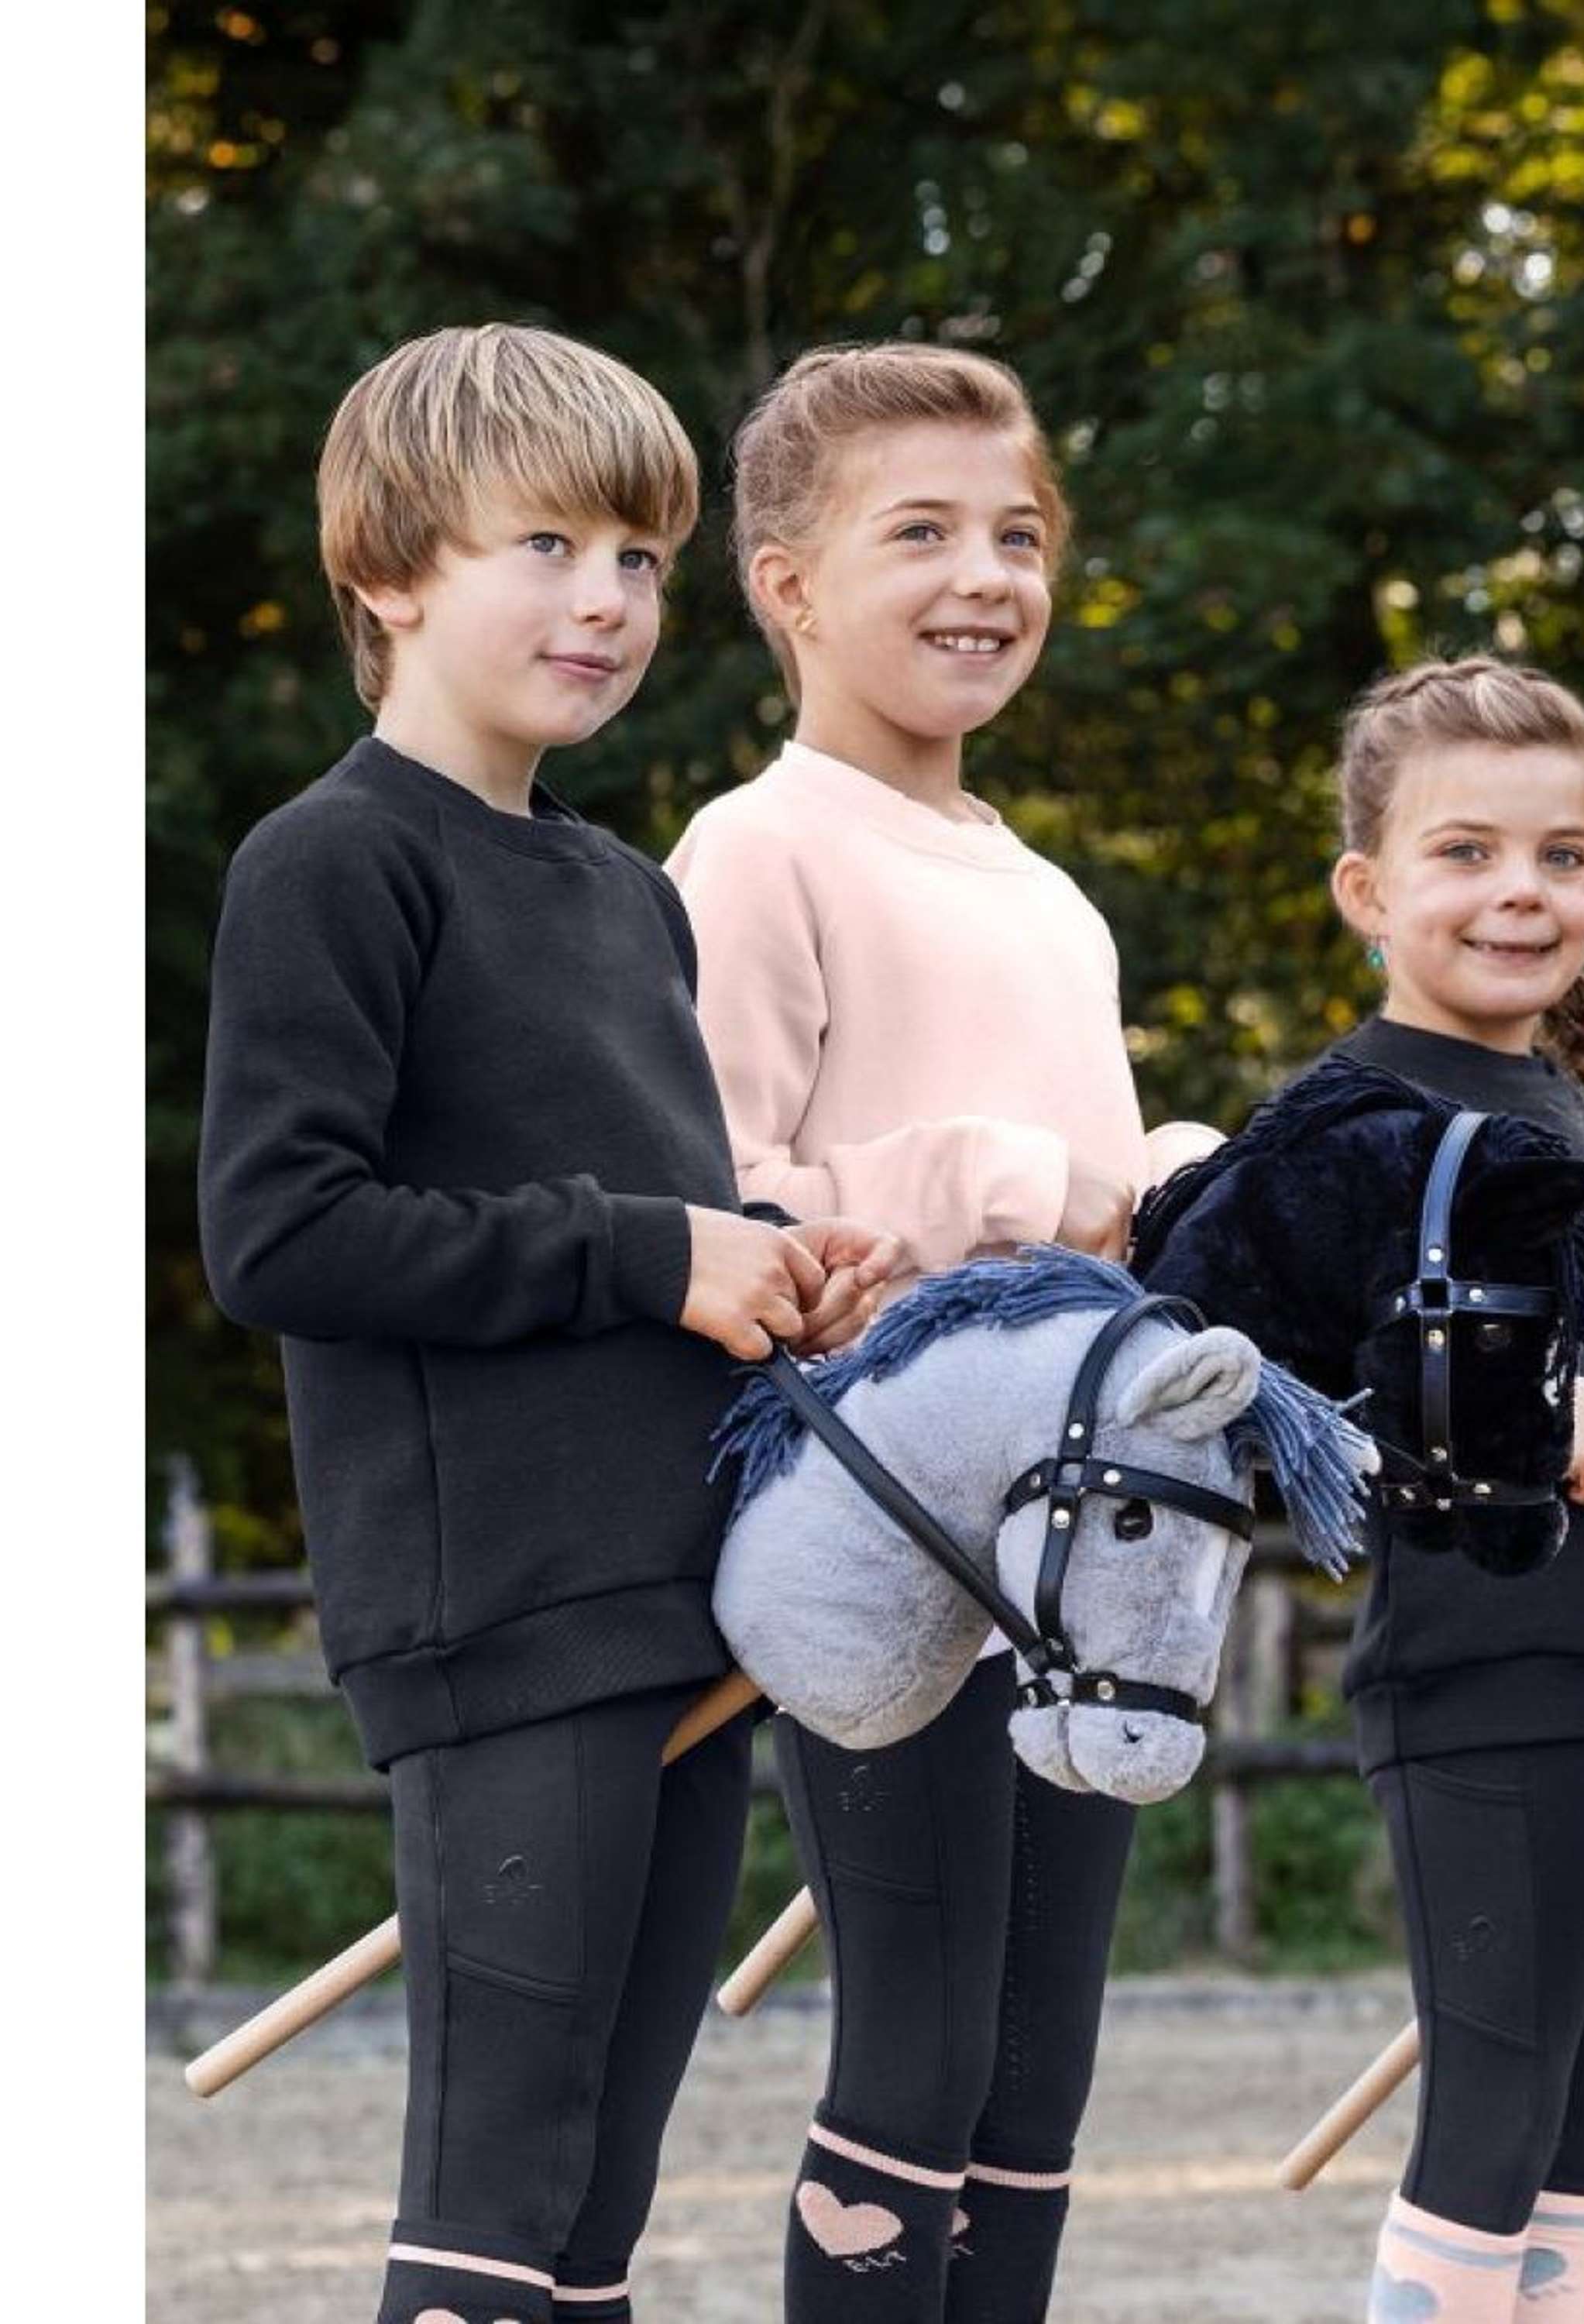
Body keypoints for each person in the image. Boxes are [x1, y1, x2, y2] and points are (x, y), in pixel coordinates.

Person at [198, 323, 896, 2324]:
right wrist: (653, 1256)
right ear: (389, 571)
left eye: (641, 560)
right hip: (496, 1616)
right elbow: (281, 1234)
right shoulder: (330, 863)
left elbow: (634, 1216)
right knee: (493, 2214)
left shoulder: (625, 895)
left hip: (683, 1613)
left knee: (595, 2218)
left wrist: (768, 1265)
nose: (607, 601)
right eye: (549, 546)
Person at [667, 340, 1208, 2323]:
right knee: (917, 2055)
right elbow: (725, 1202)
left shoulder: (1052, 897)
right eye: (923, 534)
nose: (987, 576)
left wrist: (1181, 1187)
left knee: (1035, 2084)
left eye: (1019, 535)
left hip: (1084, 1557)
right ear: (790, 584)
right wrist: (1012, 1181)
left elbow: (1101, 1225)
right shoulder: (756, 847)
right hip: (882, 1544)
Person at [1167, 655, 1584, 2324]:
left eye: (1564, 856)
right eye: (1467, 852)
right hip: (1487, 1685)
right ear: (1368, 890)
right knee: (1490, 2140)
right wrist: (1509, 1416)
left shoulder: (1575, 1113)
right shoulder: (1336, 1131)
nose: (1522, 891)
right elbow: (1212, 1389)